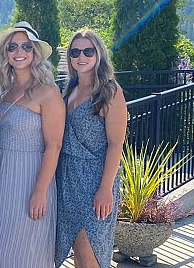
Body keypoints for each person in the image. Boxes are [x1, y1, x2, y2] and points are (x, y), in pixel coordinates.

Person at [0, 21, 64, 267]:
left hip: (30, 178)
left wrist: (40, 192)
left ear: (35, 53)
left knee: (27, 250)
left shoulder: (48, 92)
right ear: (6, 53)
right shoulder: (5, 90)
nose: (19, 52)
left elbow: (54, 145)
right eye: (13, 47)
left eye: (26, 47)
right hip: (3, 176)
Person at [55, 30, 127, 268]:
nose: (81, 57)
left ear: (99, 54)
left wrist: (105, 188)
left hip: (96, 178)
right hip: (68, 178)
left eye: (88, 51)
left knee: (91, 251)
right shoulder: (69, 89)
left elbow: (116, 144)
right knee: (77, 248)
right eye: (75, 52)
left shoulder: (110, 91)